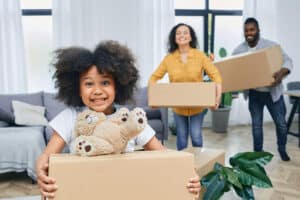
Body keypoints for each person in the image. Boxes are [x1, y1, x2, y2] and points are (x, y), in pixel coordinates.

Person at [36, 40, 200, 199]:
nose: (97, 91)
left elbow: (164, 156)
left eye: (105, 82)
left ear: (117, 86)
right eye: (89, 84)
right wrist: (42, 174)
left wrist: (186, 173)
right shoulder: (70, 117)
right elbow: (46, 157)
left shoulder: (130, 120)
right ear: (77, 89)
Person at [149, 23, 222, 150]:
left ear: (191, 37)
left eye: (185, 32)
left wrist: (218, 97)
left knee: (196, 137)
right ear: (174, 38)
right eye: (178, 33)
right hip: (178, 108)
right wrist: (153, 97)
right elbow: (154, 77)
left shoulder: (200, 56)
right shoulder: (169, 59)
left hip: (197, 107)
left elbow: (216, 75)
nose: (182, 35)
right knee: (181, 139)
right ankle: (183, 167)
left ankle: (199, 165)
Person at [232, 17, 293, 161]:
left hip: (273, 94)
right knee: (257, 127)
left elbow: (288, 61)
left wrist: (281, 74)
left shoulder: (271, 46)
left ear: (258, 30)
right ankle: (258, 154)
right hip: (254, 94)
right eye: (246, 31)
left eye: (252, 29)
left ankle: (282, 149)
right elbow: (234, 70)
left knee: (282, 125)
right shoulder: (238, 50)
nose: (249, 33)